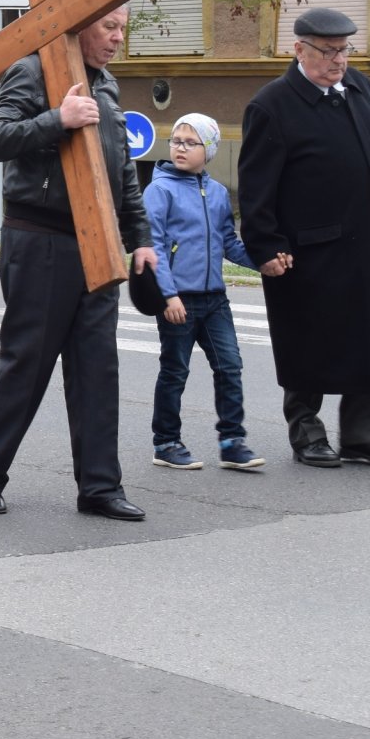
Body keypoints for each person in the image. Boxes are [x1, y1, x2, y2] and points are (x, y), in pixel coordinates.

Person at [0, 7, 158, 520]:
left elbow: (123, 170)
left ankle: (100, 487)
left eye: (123, 28)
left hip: (99, 242)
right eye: (109, 27)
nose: (118, 38)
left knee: (98, 368)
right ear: (81, 23)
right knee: (26, 364)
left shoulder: (107, 84)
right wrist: (59, 119)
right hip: (40, 239)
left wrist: (140, 239)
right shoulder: (32, 70)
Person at [238, 7, 370, 469]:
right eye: (329, 51)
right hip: (310, 252)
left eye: (344, 50)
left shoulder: (361, 89)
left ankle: (362, 434)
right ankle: (307, 433)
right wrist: (265, 246)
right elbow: (256, 189)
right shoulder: (272, 105)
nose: (339, 60)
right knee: (308, 343)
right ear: (299, 49)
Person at [143, 112, 267, 472]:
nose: (180, 148)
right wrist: (168, 296)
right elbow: (154, 247)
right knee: (175, 371)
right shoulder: (160, 190)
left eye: (190, 142)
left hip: (215, 300)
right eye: (176, 141)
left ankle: (232, 442)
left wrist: (263, 263)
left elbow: (229, 242)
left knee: (230, 367)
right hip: (177, 299)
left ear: (208, 150)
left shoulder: (217, 193)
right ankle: (166, 442)